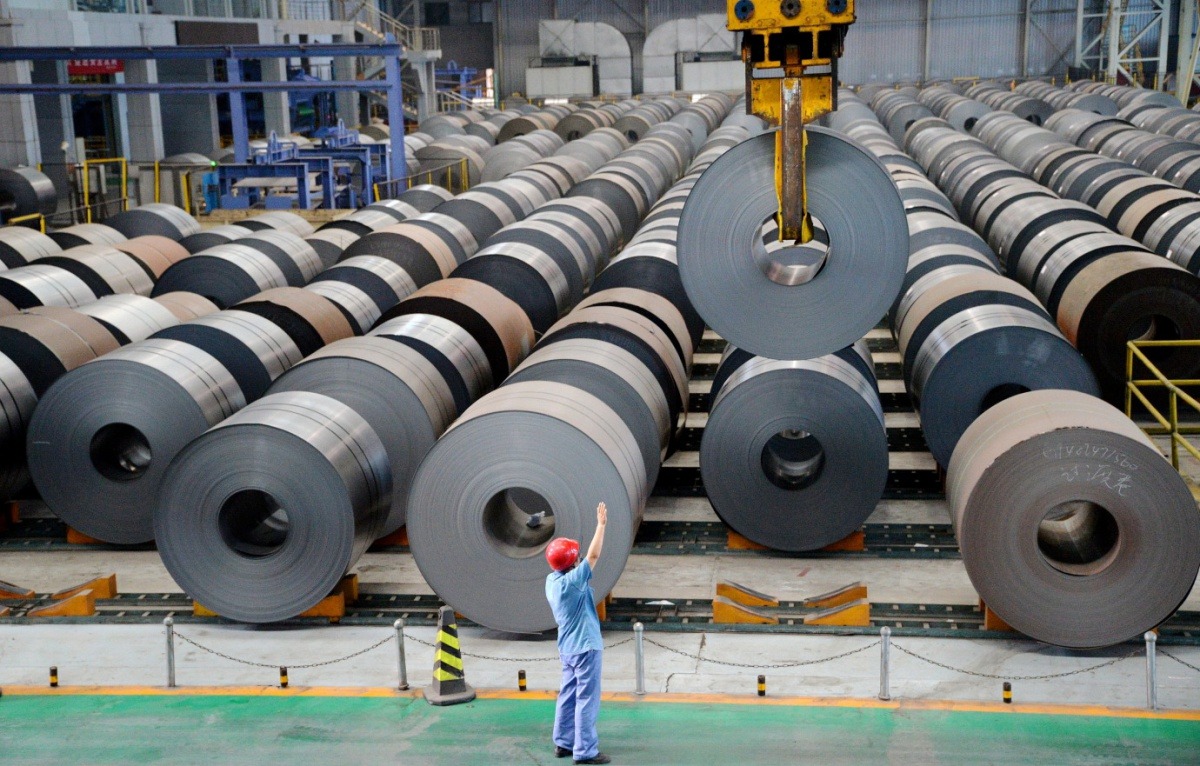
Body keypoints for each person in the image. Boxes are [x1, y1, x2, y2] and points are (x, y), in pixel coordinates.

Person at [545, 501, 610, 765]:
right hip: (586, 648)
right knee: (586, 699)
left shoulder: (552, 581)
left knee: (568, 694)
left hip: (567, 648)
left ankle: (563, 742)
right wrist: (601, 526)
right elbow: (593, 557)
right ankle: (585, 752)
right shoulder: (573, 582)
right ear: (572, 562)